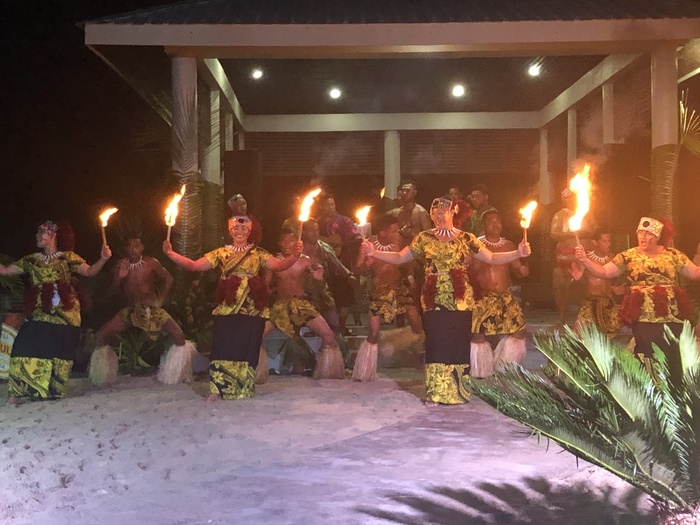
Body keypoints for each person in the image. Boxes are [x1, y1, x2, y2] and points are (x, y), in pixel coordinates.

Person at [362, 197, 531, 406]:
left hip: (460, 297)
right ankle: (436, 392)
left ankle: (457, 390)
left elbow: (492, 258)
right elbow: (398, 257)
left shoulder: (466, 238)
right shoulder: (424, 238)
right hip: (434, 298)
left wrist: (518, 252)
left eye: (444, 211)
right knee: (436, 341)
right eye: (435, 212)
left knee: (458, 342)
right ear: (431, 216)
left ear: (453, 213)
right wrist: (374, 252)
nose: (439, 215)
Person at [163, 215, 303, 402]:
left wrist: (295, 255)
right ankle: (217, 389)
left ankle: (243, 387)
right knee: (223, 343)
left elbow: (279, 266)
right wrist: (172, 254)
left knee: (247, 344)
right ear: (230, 231)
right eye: (236, 228)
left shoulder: (258, 253)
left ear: (249, 231)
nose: (240, 231)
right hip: (228, 304)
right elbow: (195, 266)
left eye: (244, 229)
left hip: (251, 305)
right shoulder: (220, 253)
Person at [574, 217, 700, 383]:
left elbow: (695, 273)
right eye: (640, 232)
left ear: (657, 236)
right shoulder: (628, 256)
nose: (643, 237)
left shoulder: (674, 255)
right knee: (646, 347)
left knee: (671, 349)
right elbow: (604, 272)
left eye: (648, 234)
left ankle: (671, 386)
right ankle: (648, 384)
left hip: (671, 314)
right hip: (643, 315)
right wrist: (584, 260)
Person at [1, 221, 111, 402]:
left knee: (58, 350)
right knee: (24, 344)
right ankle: (21, 391)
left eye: (42, 232)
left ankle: (52, 391)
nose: (37, 236)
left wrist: (103, 259)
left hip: (66, 312)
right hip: (40, 310)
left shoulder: (68, 257)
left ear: (53, 235)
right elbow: (5, 270)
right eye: (37, 233)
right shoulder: (31, 260)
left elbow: (90, 272)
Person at [352, 214, 422, 381]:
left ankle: (418, 359)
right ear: (383, 233)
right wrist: (363, 256)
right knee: (374, 332)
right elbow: (358, 271)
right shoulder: (368, 244)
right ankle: (365, 370)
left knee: (416, 323)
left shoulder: (399, 242)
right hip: (378, 292)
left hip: (398, 289)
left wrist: (410, 276)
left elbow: (408, 259)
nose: (397, 232)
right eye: (393, 230)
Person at [269, 229, 344, 379]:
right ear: (279, 243)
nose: (287, 244)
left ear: (297, 243)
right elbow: (265, 286)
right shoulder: (273, 262)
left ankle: (329, 369)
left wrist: (318, 276)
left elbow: (317, 277)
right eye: (284, 240)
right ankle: (256, 370)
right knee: (257, 334)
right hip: (281, 305)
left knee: (328, 334)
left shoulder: (305, 260)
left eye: (291, 240)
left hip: (301, 303)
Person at [469, 210, 529, 377]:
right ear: (484, 225)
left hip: (504, 296)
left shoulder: (509, 245)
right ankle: (480, 370)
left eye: (498, 222)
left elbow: (517, 268)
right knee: (478, 334)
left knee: (519, 329)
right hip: (483, 297)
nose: (495, 225)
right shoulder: (475, 244)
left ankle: (504, 367)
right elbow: (469, 270)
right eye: (491, 222)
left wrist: (522, 270)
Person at [315, 196, 362, 336]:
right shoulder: (316, 222)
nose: (331, 207)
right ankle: (324, 328)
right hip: (323, 268)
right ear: (321, 207)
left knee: (343, 300)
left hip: (342, 265)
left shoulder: (345, 221)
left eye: (333, 204)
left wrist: (346, 243)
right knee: (325, 299)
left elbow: (357, 237)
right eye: (328, 205)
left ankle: (341, 328)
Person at [550, 188, 594, 325]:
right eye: (566, 198)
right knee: (560, 284)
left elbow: (594, 230)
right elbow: (553, 233)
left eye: (572, 197)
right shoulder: (559, 215)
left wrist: (583, 233)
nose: (569, 200)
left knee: (585, 285)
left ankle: (584, 316)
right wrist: (570, 234)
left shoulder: (586, 213)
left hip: (583, 256)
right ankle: (562, 316)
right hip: (565, 257)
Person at [570, 228, 625, 337]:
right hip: (590, 302)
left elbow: (617, 281)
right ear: (595, 242)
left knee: (607, 335)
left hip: (608, 302)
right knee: (579, 333)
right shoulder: (585, 258)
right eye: (604, 241)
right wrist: (577, 276)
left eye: (609, 241)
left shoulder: (613, 258)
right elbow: (578, 276)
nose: (608, 244)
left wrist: (618, 289)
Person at [301, 218, 352, 333]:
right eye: (311, 230)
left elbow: (337, 264)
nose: (315, 233)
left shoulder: (324, 247)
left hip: (323, 292)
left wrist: (349, 274)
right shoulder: (298, 250)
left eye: (316, 230)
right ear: (303, 232)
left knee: (333, 324)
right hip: (303, 295)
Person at [387, 181, 431, 248]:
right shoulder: (395, 213)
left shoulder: (421, 213)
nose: (404, 193)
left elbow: (429, 238)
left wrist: (411, 235)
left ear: (414, 193)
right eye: (402, 191)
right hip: (399, 252)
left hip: (416, 253)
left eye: (407, 191)